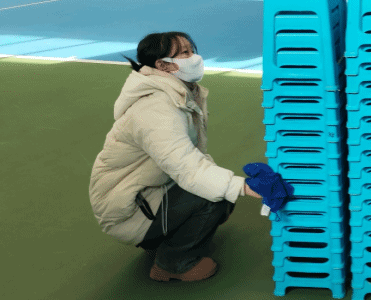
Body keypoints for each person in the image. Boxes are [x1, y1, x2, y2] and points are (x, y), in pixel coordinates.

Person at [89, 32, 262, 282]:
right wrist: (246, 187)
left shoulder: (179, 92)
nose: (195, 57)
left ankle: (164, 236)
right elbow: (188, 168)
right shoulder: (155, 109)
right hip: (128, 207)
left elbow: (190, 158)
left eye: (192, 50)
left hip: (147, 191)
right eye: (185, 53)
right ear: (163, 65)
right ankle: (173, 263)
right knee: (213, 196)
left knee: (216, 187)